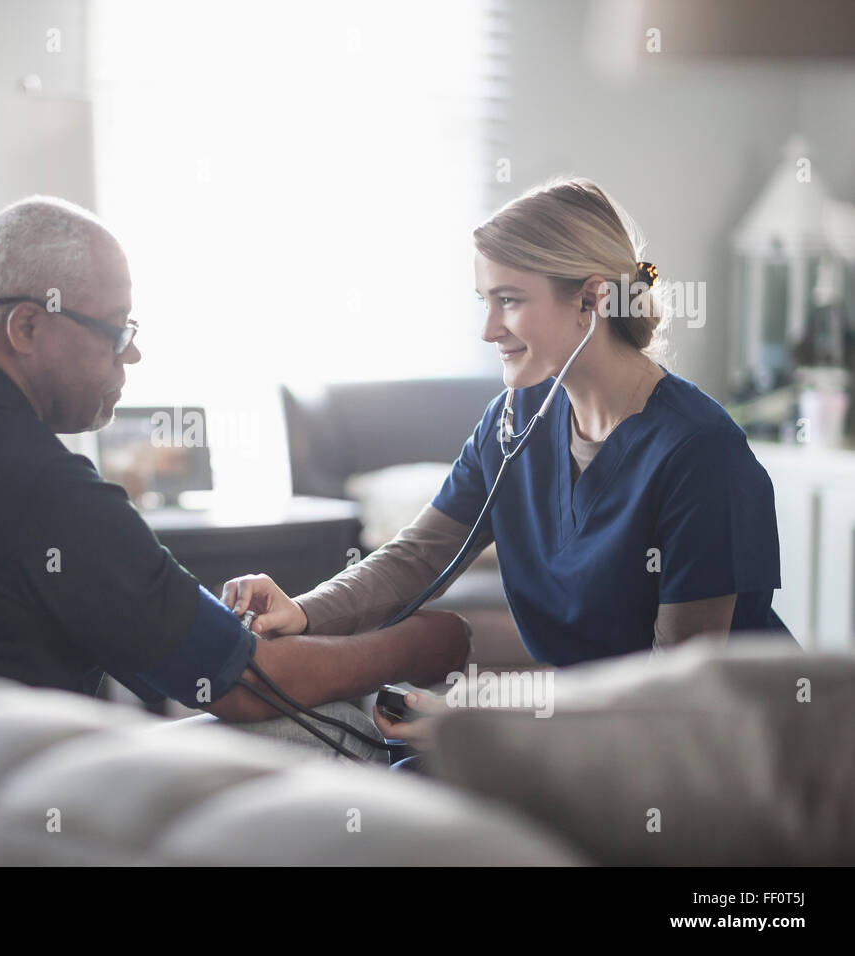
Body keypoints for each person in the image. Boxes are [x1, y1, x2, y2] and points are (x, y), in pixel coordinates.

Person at [0, 196, 470, 762]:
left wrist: (218, 629)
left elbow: (166, 646)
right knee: (353, 728)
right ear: (26, 326)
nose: (132, 351)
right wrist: (427, 643)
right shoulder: (39, 483)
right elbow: (247, 688)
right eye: (113, 329)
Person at [222, 177, 796, 753]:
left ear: (592, 301)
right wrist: (302, 611)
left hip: (717, 762)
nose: (488, 329)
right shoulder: (515, 419)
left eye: (510, 301)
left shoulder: (700, 454)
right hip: (586, 738)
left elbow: (672, 692)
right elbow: (417, 556)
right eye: (485, 302)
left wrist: (482, 720)